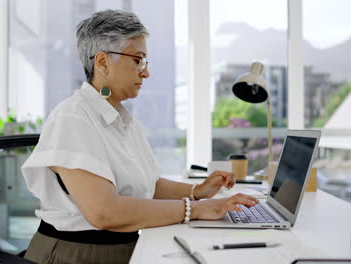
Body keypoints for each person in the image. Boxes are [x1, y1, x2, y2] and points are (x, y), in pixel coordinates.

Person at [21, 9, 259, 264]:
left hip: (121, 247)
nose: (145, 73)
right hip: (80, 255)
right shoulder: (73, 119)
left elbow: (147, 185)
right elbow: (105, 213)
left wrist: (197, 191)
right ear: (102, 62)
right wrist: (196, 210)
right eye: (138, 60)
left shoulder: (122, 119)